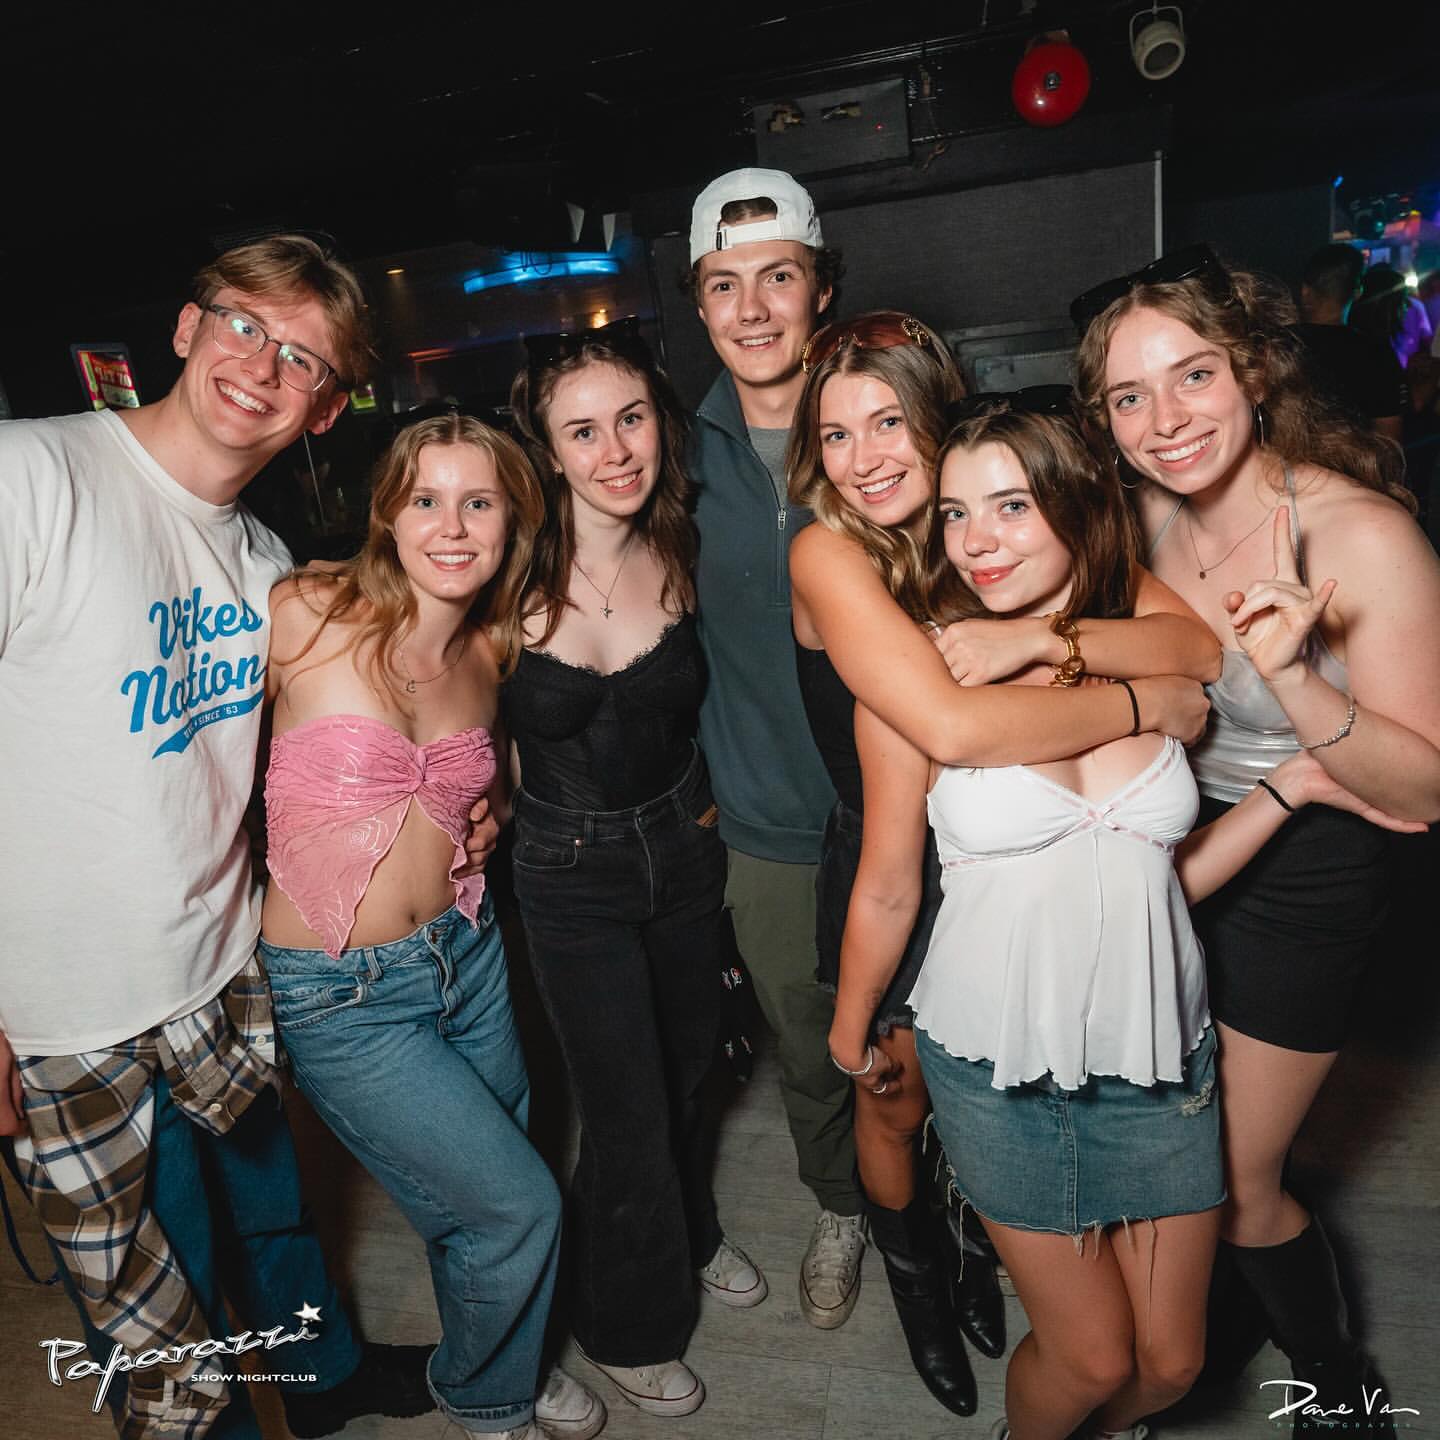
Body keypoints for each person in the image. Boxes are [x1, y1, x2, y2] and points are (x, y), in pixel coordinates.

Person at [829, 394, 1423, 1440]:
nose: (976, 541)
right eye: (956, 513)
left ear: (1076, 505)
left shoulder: (1151, 652)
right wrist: (849, 1029)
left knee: (1172, 1365)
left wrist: (1289, 788)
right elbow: (886, 883)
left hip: (1156, 1058)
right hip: (1001, 1067)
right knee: (1090, 1356)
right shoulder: (924, 671)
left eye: (1012, 506)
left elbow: (1161, 878)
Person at [0, 236, 443, 1439]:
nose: (263, 365)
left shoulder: (262, 561)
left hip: (220, 966)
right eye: (246, 324)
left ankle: (328, 1381)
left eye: (303, 358)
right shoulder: (31, 474)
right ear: (187, 328)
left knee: (274, 1217)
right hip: (63, 1014)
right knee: (160, 1322)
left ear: (325, 409)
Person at [787, 316, 1221, 1417]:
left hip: (1039, 890)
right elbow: (950, 725)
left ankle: (993, 1249)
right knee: (893, 1105)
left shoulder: (1003, 537)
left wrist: (1047, 640)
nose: (865, 456)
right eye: (835, 435)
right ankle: (921, 1281)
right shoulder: (830, 550)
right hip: (910, 849)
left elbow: (1198, 648)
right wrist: (1145, 704)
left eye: (889, 423)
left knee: (1151, 1350)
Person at [1073, 244, 1440, 1428]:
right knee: (1163, 1146)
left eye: (1193, 376)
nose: (1166, 419)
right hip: (1183, 846)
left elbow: (1427, 787)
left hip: (1309, 872)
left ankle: (1337, 1382)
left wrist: (1296, 682)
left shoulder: (1361, 536)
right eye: (1130, 396)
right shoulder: (1137, 526)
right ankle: (1201, 1332)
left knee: (1236, 1178)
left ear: (1256, 370)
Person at [257, 412, 603, 1440]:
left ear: (512, 522)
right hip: (341, 995)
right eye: (426, 499)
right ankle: (489, 1398)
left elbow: (494, 778)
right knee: (519, 1206)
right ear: (387, 513)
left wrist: (490, 812)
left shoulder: (492, 646)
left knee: (481, 1204)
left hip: (468, 954)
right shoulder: (303, 612)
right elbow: (188, 765)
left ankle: (503, 1352)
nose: (451, 527)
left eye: (478, 502)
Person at [503, 321, 764, 1420]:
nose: (614, 450)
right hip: (570, 872)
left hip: (684, 845)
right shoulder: (502, 570)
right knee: (623, 1112)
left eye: (632, 419)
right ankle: (627, 1325)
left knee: (694, 1066)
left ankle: (688, 1229)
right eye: (582, 431)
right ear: (546, 449)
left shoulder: (683, 542)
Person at [685, 166, 873, 1327]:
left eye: (779, 278)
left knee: (940, 1036)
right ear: (699, 302)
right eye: (724, 284)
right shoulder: (667, 454)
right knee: (810, 1048)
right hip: (766, 824)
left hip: (918, 807)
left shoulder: (882, 424)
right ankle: (842, 1205)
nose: (752, 310)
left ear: (822, 287)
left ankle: (965, 1211)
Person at [1294, 243, 1405, 443]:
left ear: (1305, 291)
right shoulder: (1376, 353)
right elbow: (1389, 438)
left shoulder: (1278, 344)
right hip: (1351, 461)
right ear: (1357, 292)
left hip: (1283, 460)